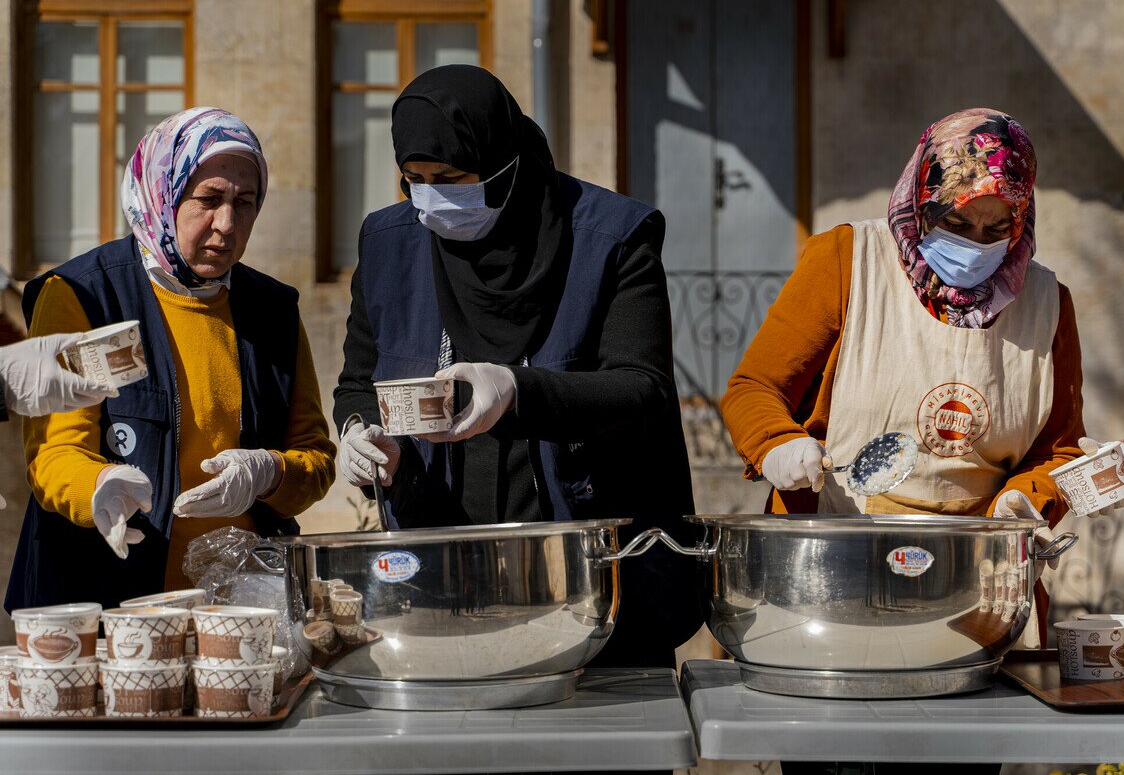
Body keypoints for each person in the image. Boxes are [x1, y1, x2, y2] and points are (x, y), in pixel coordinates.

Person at [721, 109, 1085, 775]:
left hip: (968, 607)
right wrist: (776, 444)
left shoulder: (1047, 306)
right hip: (833, 580)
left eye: (997, 228)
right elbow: (753, 387)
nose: (977, 243)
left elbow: (1059, 449)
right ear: (921, 202)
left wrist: (1028, 500)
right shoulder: (846, 262)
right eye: (956, 223)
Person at [333, 64, 702, 670]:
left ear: (505, 162)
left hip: (591, 577)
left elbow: (644, 392)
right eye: (414, 180)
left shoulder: (610, 239)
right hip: (441, 573)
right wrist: (359, 434)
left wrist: (515, 391)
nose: (432, 198)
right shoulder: (389, 242)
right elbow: (359, 379)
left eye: (451, 178)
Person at [4, 107, 336, 612]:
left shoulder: (273, 310)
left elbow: (314, 457)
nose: (227, 224)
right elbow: (53, 453)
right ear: (162, 192)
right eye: (208, 200)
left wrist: (267, 473)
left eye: (245, 203)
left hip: (240, 608)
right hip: (108, 607)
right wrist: (98, 485)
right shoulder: (84, 294)